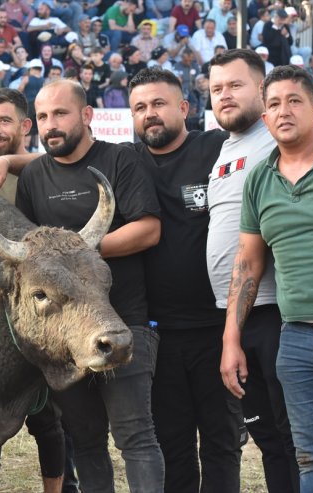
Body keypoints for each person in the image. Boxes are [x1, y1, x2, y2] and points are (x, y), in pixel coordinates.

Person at [210, 48, 313, 493]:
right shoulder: (259, 178)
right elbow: (248, 263)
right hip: (296, 339)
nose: (282, 111)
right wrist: (231, 339)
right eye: (273, 103)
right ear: (264, 115)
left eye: (294, 101)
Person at [15, 79, 164, 493]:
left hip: (125, 322)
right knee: (85, 441)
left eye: (60, 114)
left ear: (86, 115)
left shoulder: (120, 160)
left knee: (135, 437)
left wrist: (71, 254)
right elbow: (30, 257)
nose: (51, 125)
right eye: (43, 117)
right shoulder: (32, 176)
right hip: (65, 338)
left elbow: (149, 230)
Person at [126, 67, 246, 493]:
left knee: (222, 443)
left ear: (184, 107)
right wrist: (11, 159)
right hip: (157, 335)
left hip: (218, 329)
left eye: (159, 104)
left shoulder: (216, 147)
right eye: (140, 107)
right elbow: (65, 157)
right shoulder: (127, 161)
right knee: (171, 445)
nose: (150, 114)